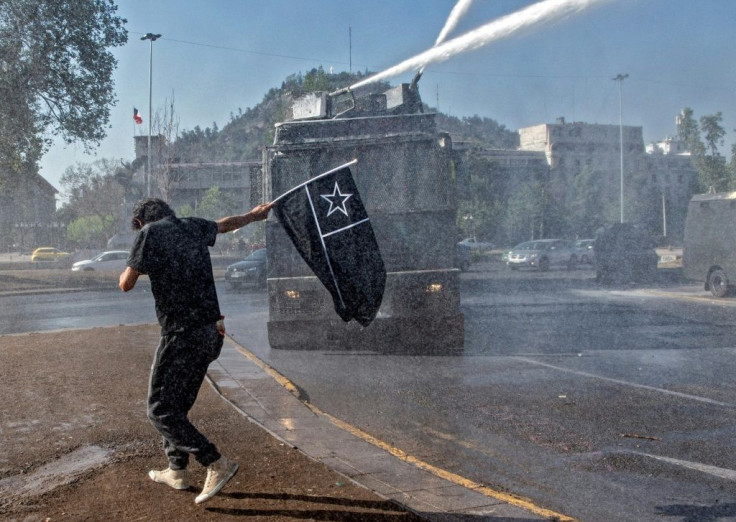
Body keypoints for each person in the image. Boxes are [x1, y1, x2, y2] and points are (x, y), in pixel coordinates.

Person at [119, 197, 272, 504]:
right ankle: (177, 470)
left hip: (181, 333)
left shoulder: (148, 234)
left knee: (160, 409)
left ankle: (215, 462)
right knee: (176, 407)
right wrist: (254, 216)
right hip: (211, 331)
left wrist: (137, 266)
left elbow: (126, 283)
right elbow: (227, 224)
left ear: (139, 223)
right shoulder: (192, 226)